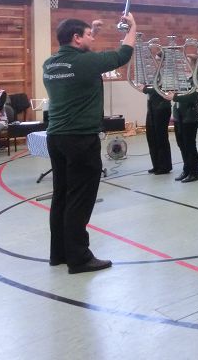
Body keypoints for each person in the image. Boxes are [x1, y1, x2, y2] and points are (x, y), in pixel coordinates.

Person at [42, 14, 136, 274]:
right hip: (80, 138)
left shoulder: (50, 64)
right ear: (76, 38)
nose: (91, 39)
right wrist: (132, 27)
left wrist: (91, 31)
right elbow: (123, 54)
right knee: (80, 199)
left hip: (56, 137)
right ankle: (79, 258)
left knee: (61, 196)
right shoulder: (85, 63)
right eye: (87, 35)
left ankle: (59, 254)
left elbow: (80, 58)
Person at [138, 52, 173, 175]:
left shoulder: (168, 73)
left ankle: (164, 166)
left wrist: (145, 89)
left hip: (162, 107)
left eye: (158, 60)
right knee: (151, 136)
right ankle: (156, 164)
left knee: (161, 137)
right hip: (152, 107)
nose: (156, 63)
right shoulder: (155, 73)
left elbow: (161, 88)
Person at [171, 69, 198, 183]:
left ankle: (194, 173)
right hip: (179, 116)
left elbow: (193, 96)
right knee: (181, 144)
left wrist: (175, 97)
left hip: (189, 117)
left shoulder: (196, 79)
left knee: (189, 145)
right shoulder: (180, 78)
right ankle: (186, 170)